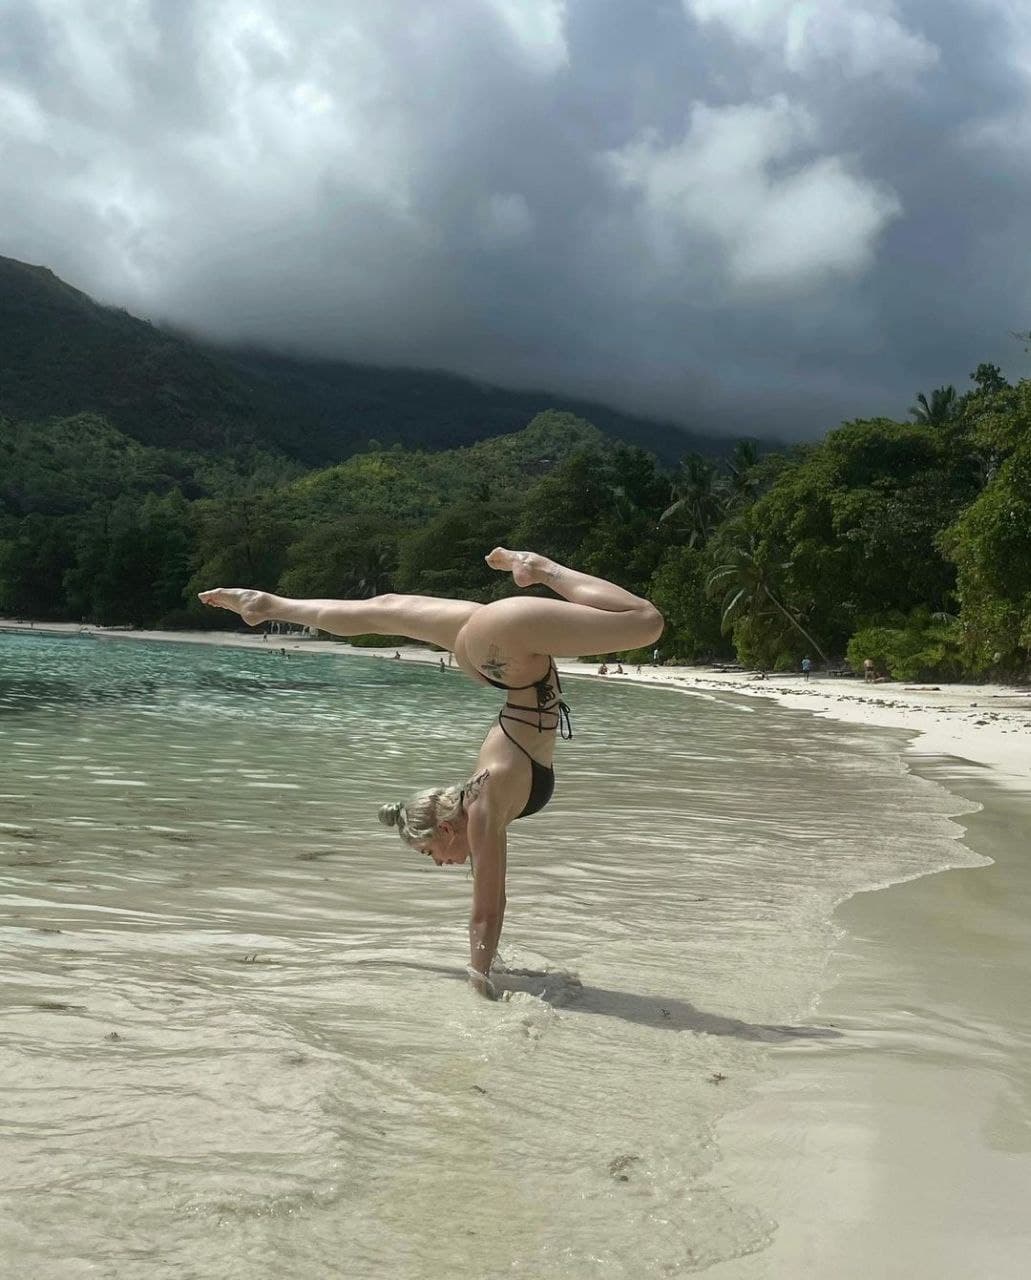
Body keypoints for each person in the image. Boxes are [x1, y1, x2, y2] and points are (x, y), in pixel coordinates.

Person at [199, 548, 663, 999]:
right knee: (384, 610)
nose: (440, 863)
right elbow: (492, 903)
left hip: (507, 649)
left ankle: (539, 568)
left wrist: (479, 984)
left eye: (430, 853)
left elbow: (487, 910)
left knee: (647, 621)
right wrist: (492, 968)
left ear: (445, 828)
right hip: (491, 653)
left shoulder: (483, 807)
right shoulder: (485, 799)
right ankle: (269, 605)